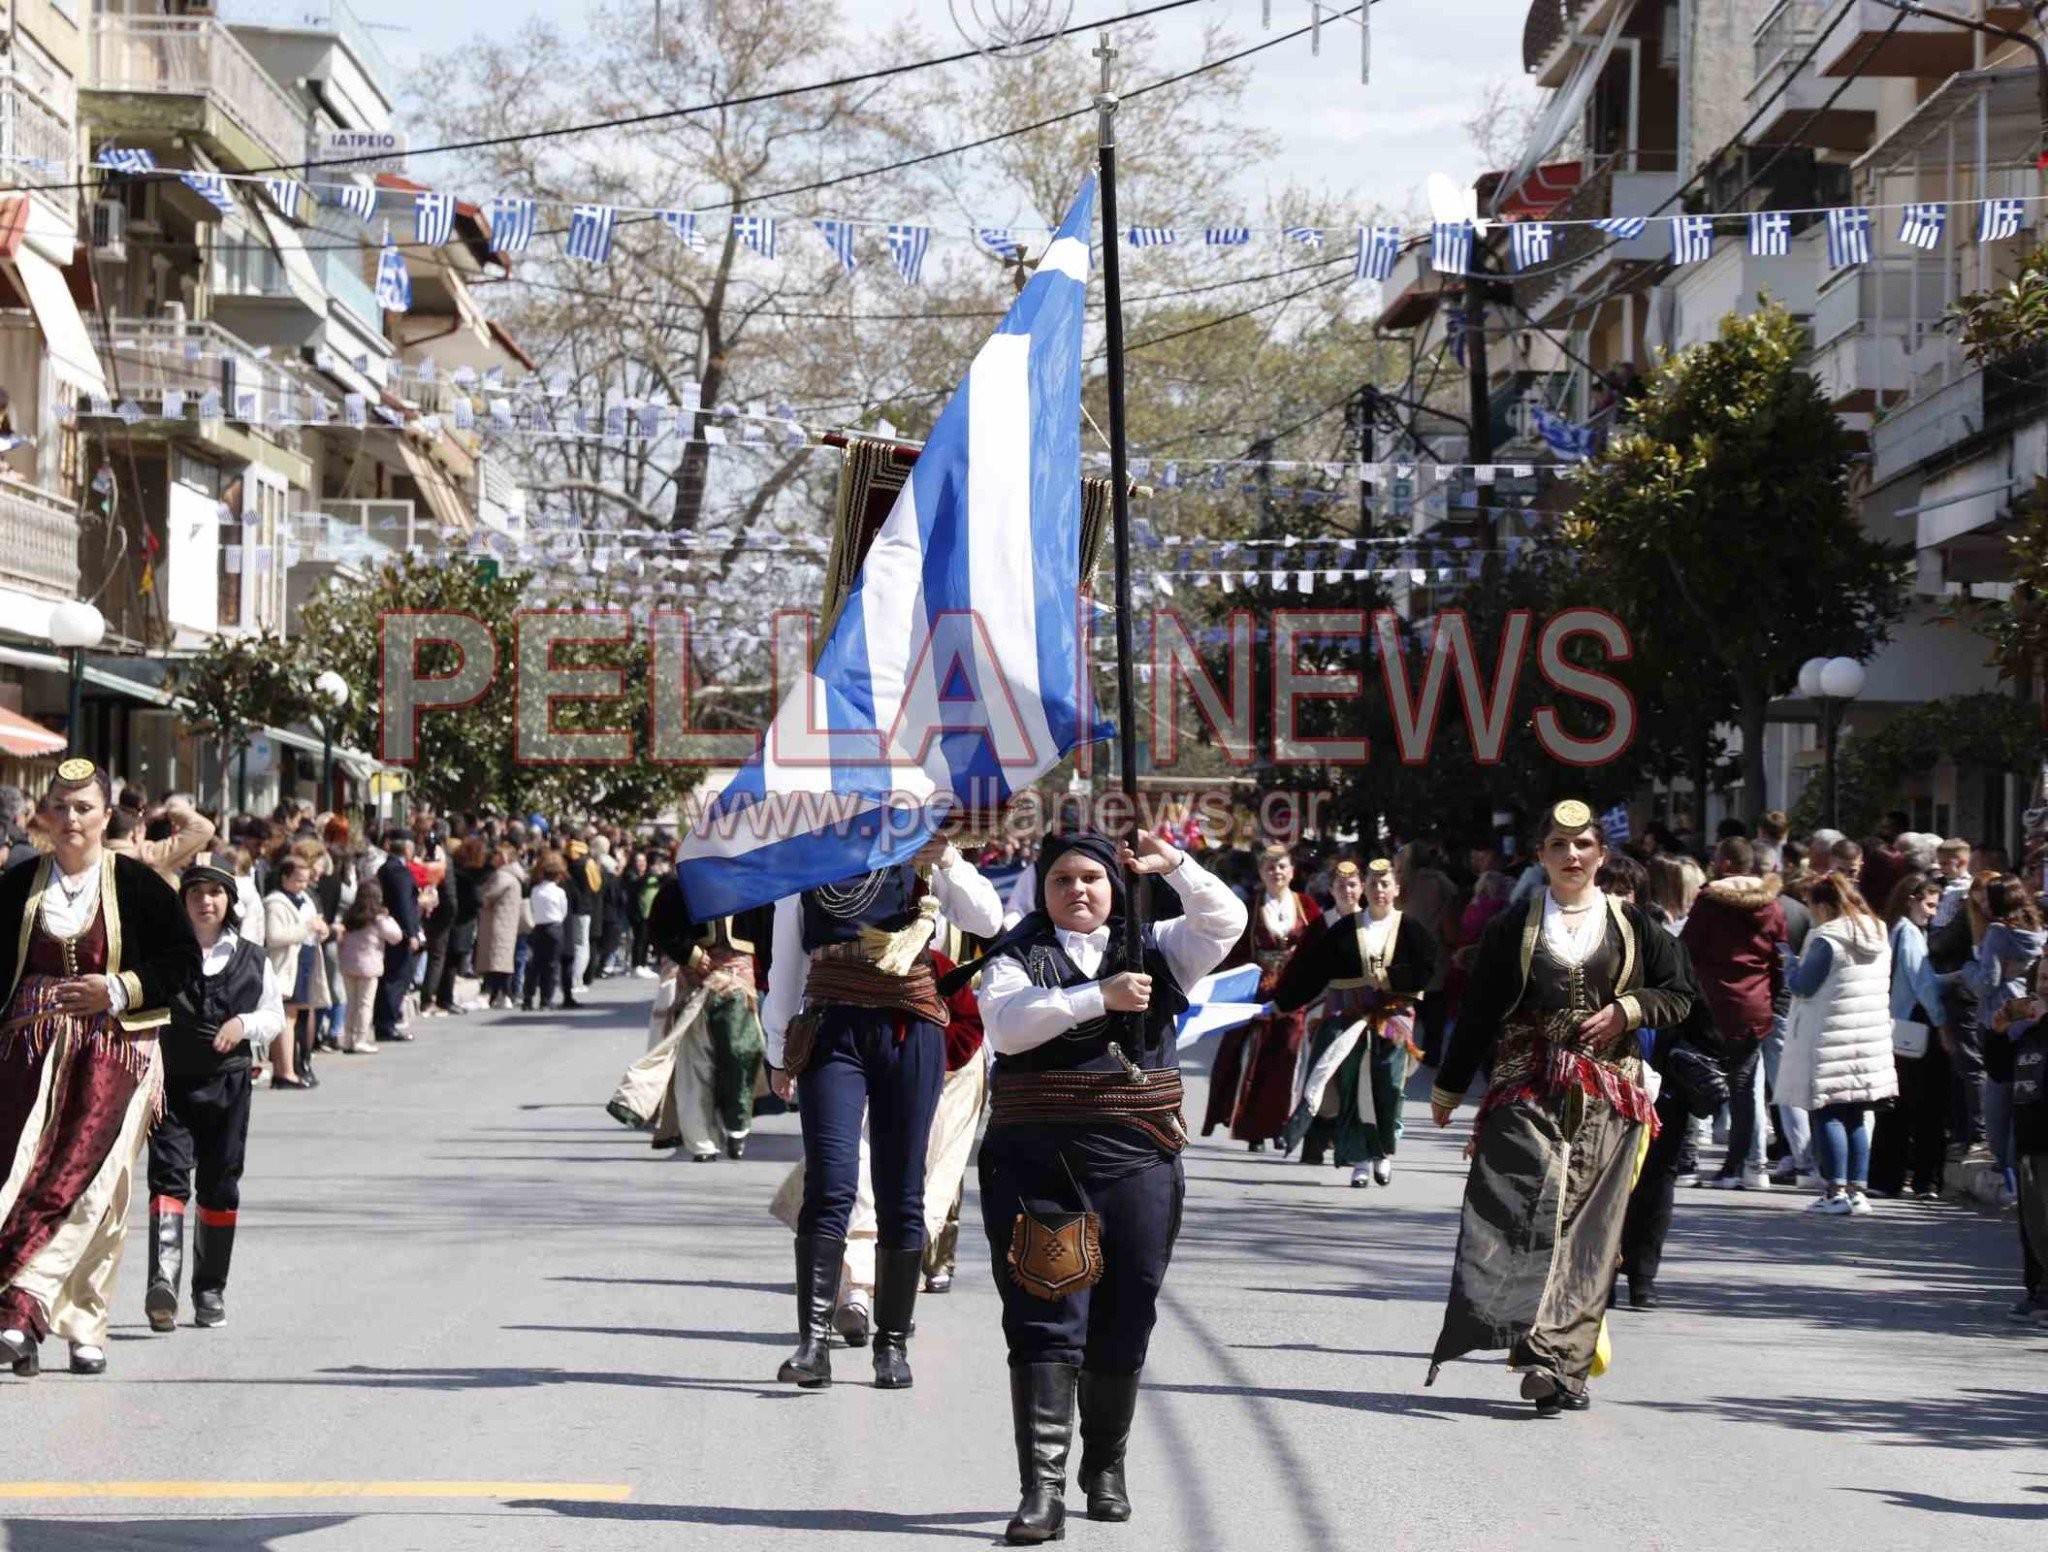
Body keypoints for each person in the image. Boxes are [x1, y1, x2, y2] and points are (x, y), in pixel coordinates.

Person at [957, 830, 1244, 1542]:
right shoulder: (1016, 955)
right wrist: (1098, 998)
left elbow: (1227, 921)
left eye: (1092, 877)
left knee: (1126, 1311)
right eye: (1061, 879)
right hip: (1041, 1166)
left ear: (1115, 886)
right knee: (1047, 1313)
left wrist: (1174, 864)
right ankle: (1042, 1492)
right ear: (1042, 889)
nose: (1077, 890)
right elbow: (1010, 1028)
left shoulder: (1158, 946)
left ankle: (1105, 1466)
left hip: (1137, 1160)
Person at [1426, 800, 1694, 1416]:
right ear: (1540, 855)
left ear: (1601, 854)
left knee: (1587, 1230)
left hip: (1608, 1091)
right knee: (1520, 1206)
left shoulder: (1633, 925)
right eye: (1557, 846)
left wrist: (1629, 1009)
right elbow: (1478, 1010)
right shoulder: (1515, 924)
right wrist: (1449, 1087)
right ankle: (1521, 1336)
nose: (1571, 856)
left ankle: (1558, 1366)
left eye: (1582, 845)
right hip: (1527, 1082)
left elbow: (1682, 996)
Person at [761, 837, 1003, 1391]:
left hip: (909, 1025)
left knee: (902, 1189)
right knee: (831, 1182)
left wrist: (947, 858)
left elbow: (987, 918)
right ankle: (813, 1343)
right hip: (833, 1026)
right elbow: (787, 960)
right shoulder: (809, 856)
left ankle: (891, 1344)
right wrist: (780, 1050)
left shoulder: (921, 848)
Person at [0, 760, 200, 1378]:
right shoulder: (17, 885)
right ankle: (25, 1318)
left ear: (106, 814)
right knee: (20, 1180)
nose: (70, 820)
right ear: (44, 815)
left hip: (118, 1049)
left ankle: (56, 1314)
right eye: (60, 807)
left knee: (95, 1186)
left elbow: (181, 963)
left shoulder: (140, 886)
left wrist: (116, 989)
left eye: (84, 808)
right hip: (27, 1055)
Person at [145, 859, 282, 1334]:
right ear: (183, 903)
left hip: (228, 1083)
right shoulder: (165, 954)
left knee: (220, 1184)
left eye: (215, 893)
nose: (206, 901)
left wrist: (243, 1024)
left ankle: (209, 1290)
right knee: (167, 1176)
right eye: (196, 893)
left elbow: (274, 1015)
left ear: (229, 902)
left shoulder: (252, 957)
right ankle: (162, 1283)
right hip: (171, 1082)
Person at [1270, 858, 1439, 1187]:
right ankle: (1359, 1161)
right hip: (1349, 1016)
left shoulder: (1411, 929)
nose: (1379, 890)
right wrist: (1282, 1002)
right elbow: (1313, 971)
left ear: (1396, 889)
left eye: (1384, 884)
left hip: (1392, 1019)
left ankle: (1383, 1153)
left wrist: (1390, 977)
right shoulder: (1345, 930)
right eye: (1374, 883)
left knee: (1387, 1085)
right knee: (1353, 1085)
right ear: (1367, 888)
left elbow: (1426, 967)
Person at [616, 892, 770, 1160]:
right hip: (695, 979)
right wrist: (690, 953)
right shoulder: (682, 882)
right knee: (694, 1059)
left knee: (742, 1049)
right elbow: (662, 924)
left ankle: (737, 1123)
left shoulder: (751, 878)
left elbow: (771, 930)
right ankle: (702, 1142)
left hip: (740, 977)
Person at [1777, 873, 1896, 1215]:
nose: (1811, 913)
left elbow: (1803, 985)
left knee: (1828, 1111)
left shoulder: (1828, 940)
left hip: (1829, 1036)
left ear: (1826, 905)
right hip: (1867, 1038)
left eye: (1813, 906)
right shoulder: (1877, 932)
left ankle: (1834, 1191)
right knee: (1856, 1114)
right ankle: (1858, 1191)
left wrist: (1789, 964)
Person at [1680, 838, 1787, 1190]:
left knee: (1692, 1077)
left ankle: (1687, 1155)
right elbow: (1779, 957)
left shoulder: (1710, 902)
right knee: (1745, 1088)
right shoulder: (1772, 905)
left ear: (1724, 863)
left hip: (1712, 1003)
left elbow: (1688, 951)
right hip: (1754, 1006)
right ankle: (1739, 1165)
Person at [1202, 844, 1320, 1150]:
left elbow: (1321, 948)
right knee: (1254, 1059)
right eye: (1270, 868)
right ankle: (1253, 1131)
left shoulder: (1307, 906)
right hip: (1261, 994)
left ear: (1292, 871)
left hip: (1296, 994)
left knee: (1289, 1058)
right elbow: (1236, 952)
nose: (1276, 873)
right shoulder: (1251, 908)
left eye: (1282, 867)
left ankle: (1282, 1126)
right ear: (1261, 873)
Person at [1870, 872, 1953, 1199]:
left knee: (1898, 1107)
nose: (1933, 912)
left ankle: (1886, 1178)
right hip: (1917, 1028)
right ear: (1912, 900)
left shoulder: (1894, 930)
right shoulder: (1909, 933)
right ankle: (1924, 1180)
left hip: (1898, 1026)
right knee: (1927, 1107)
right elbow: (1923, 984)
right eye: (1930, 905)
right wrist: (1943, 1023)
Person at [263, 855, 328, 1090]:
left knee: (301, 1015)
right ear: (284, 877)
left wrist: (322, 930)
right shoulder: (275, 902)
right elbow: (274, 936)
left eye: (305, 880)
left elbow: (316, 925)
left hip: (307, 959)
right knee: (287, 1017)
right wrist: (306, 928)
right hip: (287, 965)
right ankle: (284, 1071)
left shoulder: (306, 899)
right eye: (298, 880)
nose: (303, 885)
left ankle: (299, 1065)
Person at [106, 793, 215, 889]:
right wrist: (171, 809)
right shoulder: (147, 856)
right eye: (143, 832)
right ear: (135, 834)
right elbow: (204, 828)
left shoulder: (96, 858)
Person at [374, 831, 422, 1044]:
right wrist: (411, 933)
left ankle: (386, 1021)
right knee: (397, 976)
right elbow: (403, 905)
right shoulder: (398, 871)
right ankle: (387, 1023)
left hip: (393, 930)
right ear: (407, 848)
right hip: (398, 933)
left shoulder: (388, 868)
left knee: (392, 976)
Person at [475, 846, 523, 1008]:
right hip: (507, 922)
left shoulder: (502, 876)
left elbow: (488, 896)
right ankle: (503, 995)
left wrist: (481, 895)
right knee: (503, 960)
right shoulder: (514, 876)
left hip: (497, 922)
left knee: (496, 960)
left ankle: (495, 994)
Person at [524, 854, 569, 1011]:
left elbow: (532, 908)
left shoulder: (536, 890)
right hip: (554, 927)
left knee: (536, 963)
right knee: (551, 965)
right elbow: (563, 911)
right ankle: (546, 999)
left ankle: (527, 998)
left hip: (539, 927)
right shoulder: (559, 892)